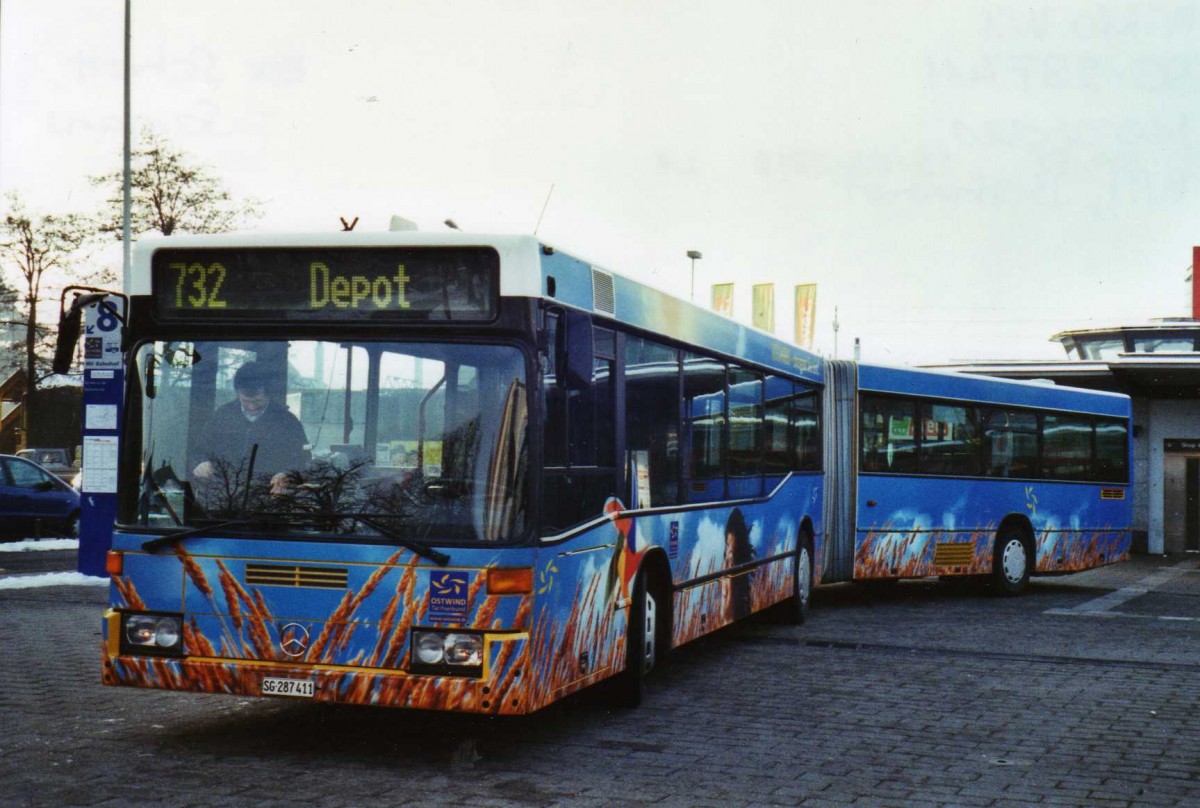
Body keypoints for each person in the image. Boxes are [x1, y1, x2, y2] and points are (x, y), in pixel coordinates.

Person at [192, 362, 309, 491]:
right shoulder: (222, 416)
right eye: (245, 401)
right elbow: (200, 450)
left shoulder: (287, 422)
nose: (252, 407)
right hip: (224, 494)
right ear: (238, 393)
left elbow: (303, 460)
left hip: (269, 494)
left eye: (257, 401)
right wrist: (202, 462)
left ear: (268, 394)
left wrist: (287, 474)